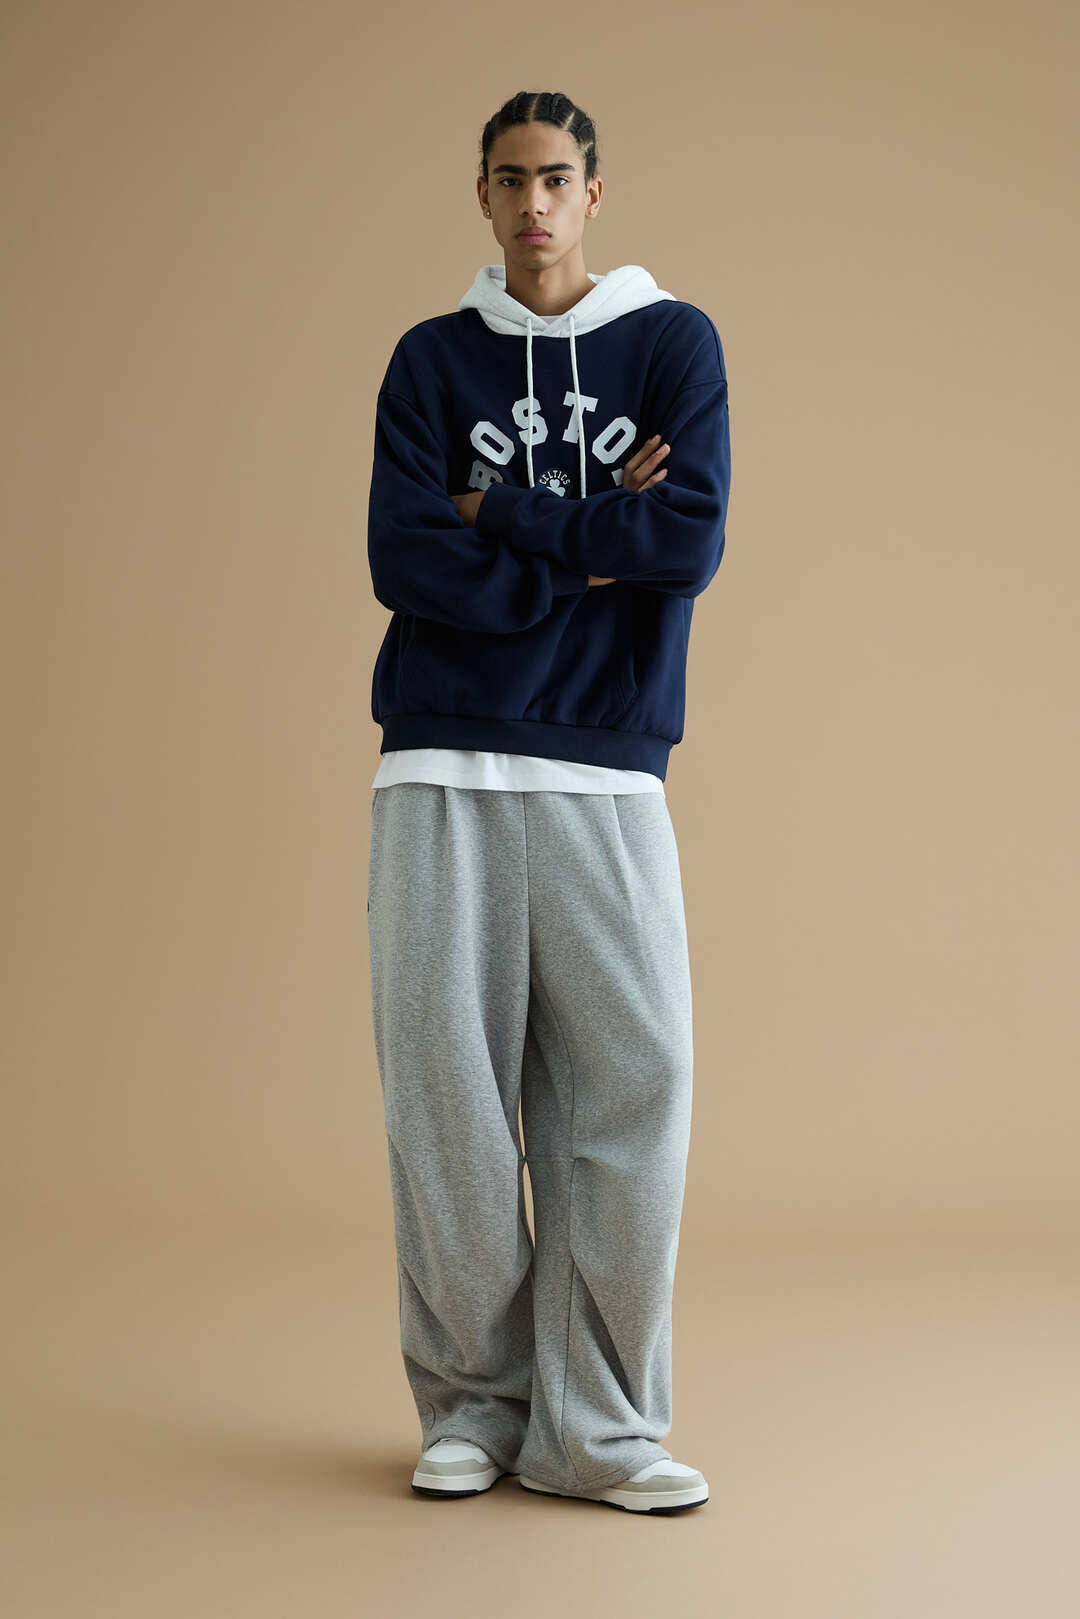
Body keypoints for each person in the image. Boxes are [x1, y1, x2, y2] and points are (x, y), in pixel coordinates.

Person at [366, 89, 731, 1514]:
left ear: (593, 194)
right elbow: (404, 559)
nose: (534, 204)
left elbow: (685, 538)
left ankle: (604, 1433)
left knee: (635, 1087)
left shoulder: (672, 342)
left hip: (606, 765)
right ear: (483, 193)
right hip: (439, 764)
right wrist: (594, 547)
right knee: (447, 1100)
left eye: (557, 179)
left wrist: (503, 515)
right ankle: (473, 1407)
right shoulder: (430, 361)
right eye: (510, 179)